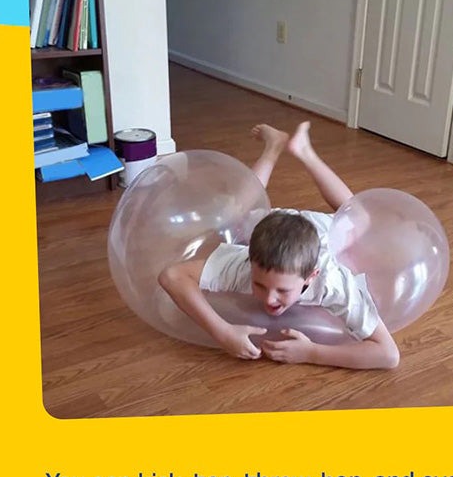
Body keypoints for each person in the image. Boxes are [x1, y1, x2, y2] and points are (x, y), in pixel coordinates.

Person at [158, 122, 400, 370]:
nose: (269, 298)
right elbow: (171, 276)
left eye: (283, 290)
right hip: (272, 222)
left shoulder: (332, 283)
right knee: (235, 214)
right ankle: (272, 147)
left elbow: (389, 355)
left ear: (311, 276)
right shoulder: (245, 265)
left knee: (359, 216)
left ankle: (305, 152)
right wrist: (222, 332)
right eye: (259, 285)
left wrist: (312, 353)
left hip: (320, 231)